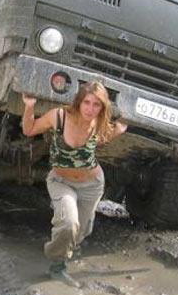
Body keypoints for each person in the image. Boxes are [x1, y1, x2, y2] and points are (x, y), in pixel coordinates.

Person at [22, 81, 127, 287]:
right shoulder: (59, 116)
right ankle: (57, 266)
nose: (90, 109)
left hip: (92, 185)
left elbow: (106, 136)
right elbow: (29, 129)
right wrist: (29, 106)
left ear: (102, 108)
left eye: (96, 105)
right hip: (61, 181)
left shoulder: (99, 123)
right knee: (69, 224)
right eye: (87, 102)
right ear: (79, 102)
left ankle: (73, 237)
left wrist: (120, 129)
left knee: (81, 231)